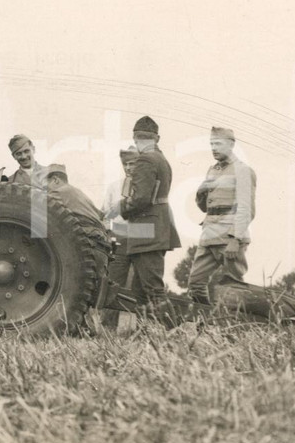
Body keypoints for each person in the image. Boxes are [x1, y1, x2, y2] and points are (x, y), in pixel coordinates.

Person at [186, 127, 257, 303]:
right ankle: (205, 324)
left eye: (218, 143)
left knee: (234, 287)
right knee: (195, 283)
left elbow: (246, 208)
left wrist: (235, 238)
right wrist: (201, 193)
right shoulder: (212, 170)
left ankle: (237, 328)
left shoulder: (242, 170)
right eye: (211, 144)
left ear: (231, 144)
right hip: (209, 235)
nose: (213, 148)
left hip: (229, 237)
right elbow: (206, 207)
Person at [120, 116, 180, 305]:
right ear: (156, 138)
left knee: (153, 290)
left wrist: (122, 207)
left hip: (147, 231)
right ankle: (149, 331)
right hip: (156, 227)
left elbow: (140, 198)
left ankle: (170, 330)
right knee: (141, 291)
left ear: (136, 139)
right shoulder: (161, 159)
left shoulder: (145, 159)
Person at [45, 163, 110, 329]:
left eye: (46, 183)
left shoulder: (59, 191)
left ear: (55, 180)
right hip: (100, 244)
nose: (45, 188)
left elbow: (39, 209)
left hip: (89, 242)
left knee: (81, 298)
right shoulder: (78, 193)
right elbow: (101, 215)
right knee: (90, 299)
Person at [98, 146, 139, 323]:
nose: (129, 168)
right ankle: (108, 327)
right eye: (125, 164)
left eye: (132, 164)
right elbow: (104, 214)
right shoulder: (114, 187)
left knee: (140, 284)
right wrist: (110, 232)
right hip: (119, 239)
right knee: (114, 282)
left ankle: (142, 328)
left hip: (141, 240)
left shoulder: (146, 186)